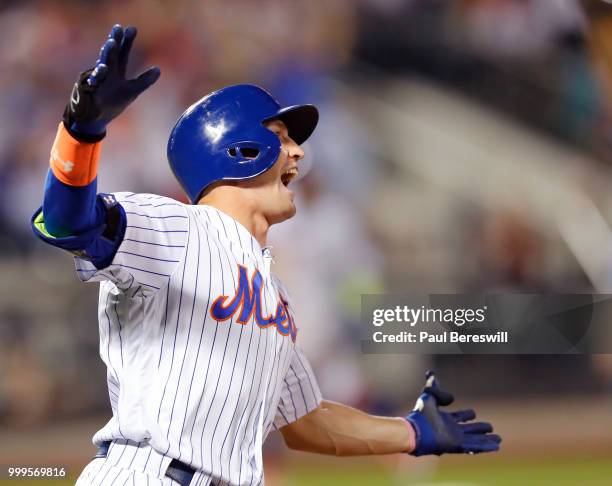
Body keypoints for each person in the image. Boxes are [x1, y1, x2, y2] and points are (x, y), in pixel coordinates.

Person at [31, 25, 500, 486]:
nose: (297, 152)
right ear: (239, 150)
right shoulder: (177, 229)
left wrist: (412, 432)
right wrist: (81, 133)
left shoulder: (276, 296)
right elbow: (69, 223)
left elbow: (306, 422)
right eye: (282, 136)